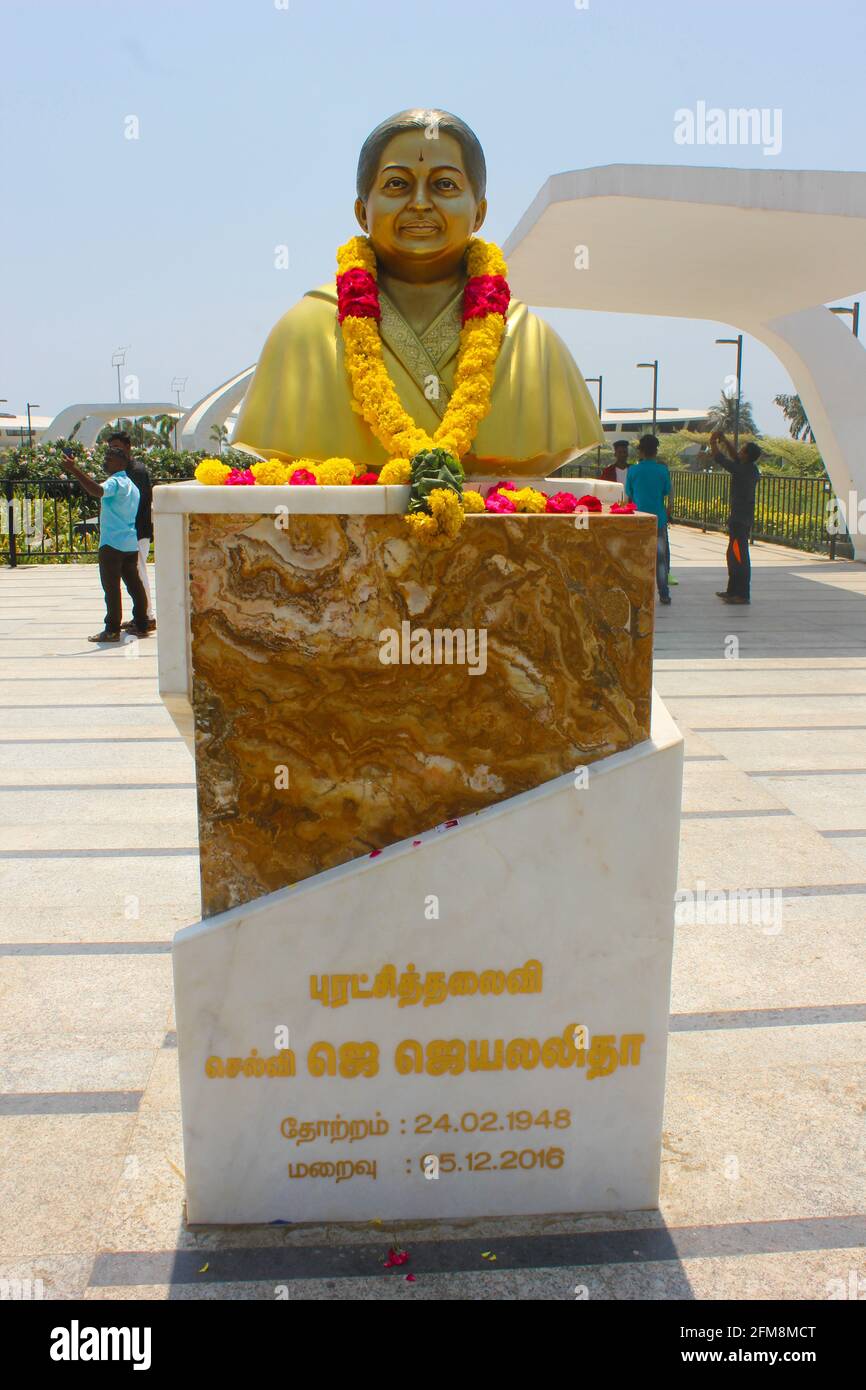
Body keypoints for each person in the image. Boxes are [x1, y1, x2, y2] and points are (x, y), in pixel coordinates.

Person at [232, 109, 604, 478]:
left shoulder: (533, 343)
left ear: (479, 212)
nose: (421, 203)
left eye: (445, 185)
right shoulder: (303, 334)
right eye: (397, 184)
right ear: (363, 212)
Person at [60, 436, 150, 643]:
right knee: (135, 585)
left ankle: (111, 630)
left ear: (121, 463)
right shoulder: (132, 486)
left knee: (111, 587)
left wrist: (74, 470)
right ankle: (142, 623)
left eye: (109, 459)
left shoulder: (115, 482)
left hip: (111, 544)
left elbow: (97, 491)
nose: (105, 462)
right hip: (129, 543)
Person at [709, 430, 762, 605]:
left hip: (740, 519)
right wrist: (724, 440)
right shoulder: (751, 469)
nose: (738, 452)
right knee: (733, 554)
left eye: (742, 450)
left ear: (747, 455)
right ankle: (733, 590)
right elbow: (735, 457)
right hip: (742, 518)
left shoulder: (742, 471)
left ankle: (742, 594)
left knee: (739, 556)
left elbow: (721, 459)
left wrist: (713, 443)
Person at [625, 434, 672, 605]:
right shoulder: (662, 470)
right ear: (656, 450)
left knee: (637, 557)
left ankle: (638, 591)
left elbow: (629, 494)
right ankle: (664, 593)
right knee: (660, 558)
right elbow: (666, 491)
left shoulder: (633, 471)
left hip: (638, 519)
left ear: (641, 450)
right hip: (658, 519)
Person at [124, 450, 156, 631]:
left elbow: (137, 503)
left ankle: (147, 616)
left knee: (138, 573)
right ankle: (142, 615)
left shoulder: (136, 472)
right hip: (134, 531)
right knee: (136, 573)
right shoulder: (131, 471)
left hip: (137, 530)